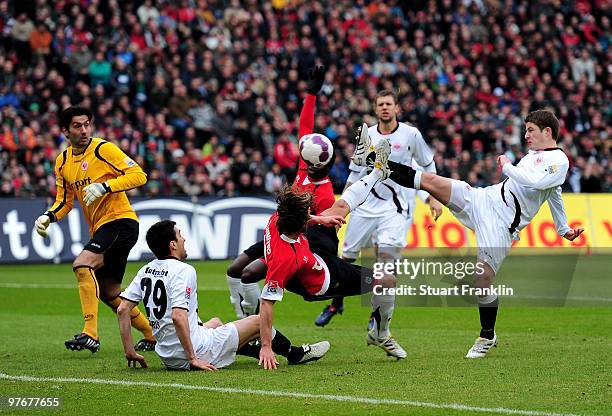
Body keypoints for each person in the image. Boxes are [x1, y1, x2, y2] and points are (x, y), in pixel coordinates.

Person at [351, 109, 584, 358]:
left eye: (531, 130)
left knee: (481, 281)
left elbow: (539, 185)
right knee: (430, 181)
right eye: (526, 129)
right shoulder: (536, 155)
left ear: (547, 131)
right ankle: (374, 160)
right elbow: (554, 193)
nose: (526, 135)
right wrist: (564, 229)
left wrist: (507, 166)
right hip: (484, 199)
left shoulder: (559, 161)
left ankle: (487, 335)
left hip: (501, 226)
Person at [258, 141, 410, 370]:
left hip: (310, 251)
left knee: (336, 210)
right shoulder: (283, 260)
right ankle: (380, 334)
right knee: (387, 281)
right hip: (324, 281)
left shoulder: (277, 219)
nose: (311, 215)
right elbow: (267, 303)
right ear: (300, 226)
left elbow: (296, 216)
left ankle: (376, 171)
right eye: (308, 216)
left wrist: (320, 219)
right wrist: (266, 346)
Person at [117, 220, 330, 370]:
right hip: (194, 352)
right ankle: (295, 353)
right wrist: (193, 358)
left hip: (167, 355)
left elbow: (122, 309)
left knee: (217, 322)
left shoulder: (146, 269)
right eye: (180, 235)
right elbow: (178, 317)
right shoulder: (184, 270)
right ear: (172, 244)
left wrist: (130, 351)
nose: (184, 239)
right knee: (257, 321)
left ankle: (258, 351)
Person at [315, 89, 443, 327]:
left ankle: (376, 316)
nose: (385, 107)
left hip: (396, 208)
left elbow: (427, 164)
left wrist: (434, 196)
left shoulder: (411, 135)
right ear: (375, 109)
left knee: (386, 263)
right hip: (366, 206)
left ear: (397, 108)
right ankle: (336, 304)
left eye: (389, 104)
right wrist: (344, 205)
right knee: (347, 257)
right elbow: (355, 173)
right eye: (380, 104)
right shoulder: (367, 135)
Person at [33, 106, 155, 353]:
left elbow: (139, 175)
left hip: (121, 221)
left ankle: (90, 333)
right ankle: (151, 334)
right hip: (102, 228)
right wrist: (48, 216)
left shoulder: (102, 149)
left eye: (87, 124)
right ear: (65, 131)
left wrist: (106, 187)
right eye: (77, 126)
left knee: (82, 264)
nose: (84, 130)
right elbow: (64, 201)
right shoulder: (63, 161)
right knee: (109, 293)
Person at [226, 65, 336, 319]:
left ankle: (250, 323)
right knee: (234, 270)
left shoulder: (325, 195)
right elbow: (305, 126)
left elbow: (321, 230)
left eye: (309, 161)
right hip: (276, 231)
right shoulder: (304, 166)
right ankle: (242, 317)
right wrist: (311, 94)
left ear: (321, 165)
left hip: (292, 241)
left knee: (249, 274)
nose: (304, 162)